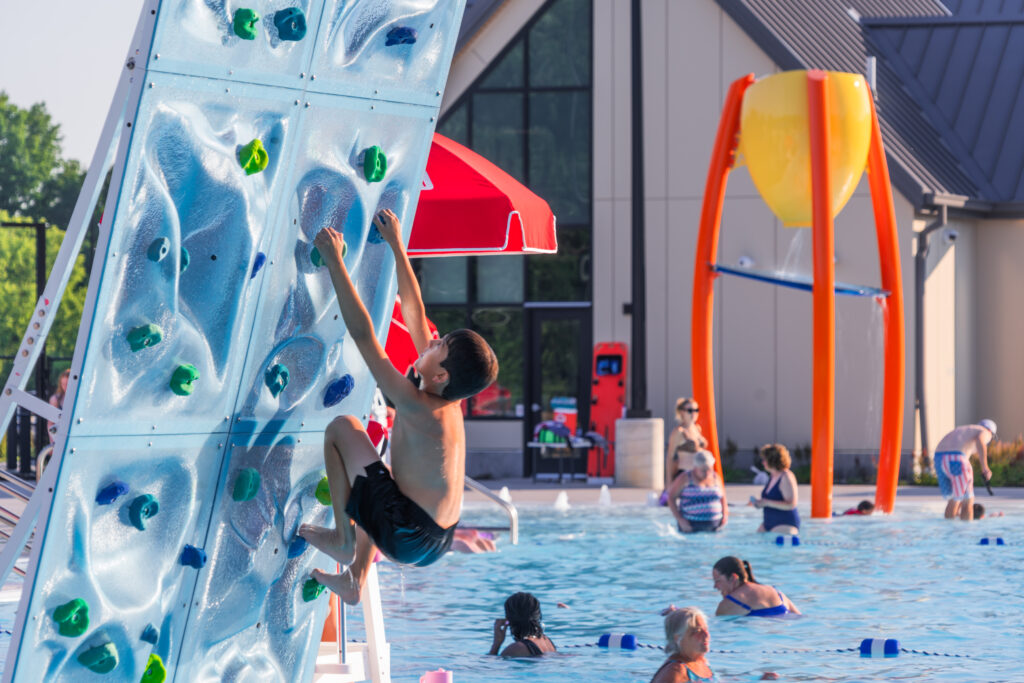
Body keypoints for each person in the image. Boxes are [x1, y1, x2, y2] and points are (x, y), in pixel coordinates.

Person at [300, 209, 499, 603]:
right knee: (380, 474)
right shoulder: (444, 395)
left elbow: (364, 336)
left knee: (342, 428)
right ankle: (354, 579)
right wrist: (396, 245)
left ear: (441, 374)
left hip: (410, 532)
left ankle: (343, 538)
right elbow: (415, 311)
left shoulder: (418, 404)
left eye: (439, 347)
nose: (431, 341)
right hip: (436, 536)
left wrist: (335, 260)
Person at [652, 607, 779, 682]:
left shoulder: (702, 662)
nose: (706, 635)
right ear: (678, 638)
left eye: (706, 629)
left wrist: (758, 678)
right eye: (697, 631)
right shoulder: (675, 672)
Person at [933, 420, 996, 521]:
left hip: (938, 459)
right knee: (967, 499)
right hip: (956, 459)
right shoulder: (985, 431)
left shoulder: (964, 430)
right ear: (991, 432)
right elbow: (980, 441)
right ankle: (966, 533)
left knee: (954, 497)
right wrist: (985, 467)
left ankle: (949, 528)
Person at [712, 556, 800, 617]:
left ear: (733, 578)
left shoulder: (729, 604)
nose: (715, 586)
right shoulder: (776, 592)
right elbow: (798, 617)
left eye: (718, 581)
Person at [667, 450, 728, 532]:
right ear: (695, 468)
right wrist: (680, 520)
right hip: (690, 526)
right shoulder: (685, 478)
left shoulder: (715, 477)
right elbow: (671, 498)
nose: (707, 473)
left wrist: (725, 516)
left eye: (709, 469)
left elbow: (723, 497)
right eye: (703, 470)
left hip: (715, 526)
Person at [661, 398, 708, 504]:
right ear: (682, 412)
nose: (694, 413)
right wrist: (668, 483)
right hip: (684, 475)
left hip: (698, 474)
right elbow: (669, 457)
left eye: (696, 410)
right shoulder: (679, 432)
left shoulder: (697, 429)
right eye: (690, 410)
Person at [751, 444, 799, 535]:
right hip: (768, 523)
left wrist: (766, 502)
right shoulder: (773, 475)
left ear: (772, 460)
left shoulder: (786, 476)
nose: (763, 462)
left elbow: (791, 504)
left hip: (785, 524)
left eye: (764, 460)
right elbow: (771, 500)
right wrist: (760, 502)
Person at [489, 592, 556, 657]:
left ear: (509, 620)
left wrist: (496, 644)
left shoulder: (516, 649)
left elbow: (490, 666)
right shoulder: (546, 641)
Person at [47, 369, 70, 443]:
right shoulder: (55, 399)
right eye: (63, 384)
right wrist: (52, 442)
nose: (65, 387)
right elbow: (50, 424)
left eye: (67, 384)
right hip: (60, 436)